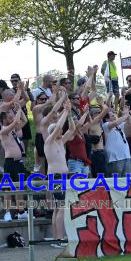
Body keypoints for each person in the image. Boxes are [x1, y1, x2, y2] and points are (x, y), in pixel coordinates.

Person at [44, 97, 77, 248]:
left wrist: (69, 114)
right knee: (61, 207)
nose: (60, 131)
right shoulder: (49, 142)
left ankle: (56, 237)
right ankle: (59, 238)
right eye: (57, 130)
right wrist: (65, 110)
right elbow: (57, 127)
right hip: (56, 177)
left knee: (58, 207)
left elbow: (72, 129)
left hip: (62, 177)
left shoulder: (60, 142)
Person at [0, 103, 29, 221]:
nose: (11, 118)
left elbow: (25, 121)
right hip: (10, 162)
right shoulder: (4, 130)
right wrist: (16, 114)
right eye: (9, 117)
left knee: (19, 187)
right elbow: (15, 122)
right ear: (4, 119)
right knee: (8, 188)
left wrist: (20, 109)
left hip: (18, 162)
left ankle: (21, 211)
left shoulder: (12, 130)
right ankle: (7, 213)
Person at [67, 92, 91, 176]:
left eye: (79, 98)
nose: (78, 100)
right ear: (70, 100)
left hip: (83, 162)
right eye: (76, 98)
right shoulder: (69, 112)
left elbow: (89, 123)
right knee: (76, 188)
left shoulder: (77, 111)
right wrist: (85, 113)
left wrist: (86, 113)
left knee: (86, 188)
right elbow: (78, 124)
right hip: (75, 162)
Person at [103, 106, 131, 177]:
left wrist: (128, 116)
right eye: (112, 116)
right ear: (107, 119)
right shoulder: (105, 125)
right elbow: (115, 123)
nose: (114, 117)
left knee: (126, 181)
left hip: (126, 156)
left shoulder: (119, 126)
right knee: (115, 182)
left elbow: (130, 125)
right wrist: (126, 115)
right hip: (114, 158)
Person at [87, 102, 110, 177]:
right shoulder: (94, 121)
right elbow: (106, 109)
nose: (101, 114)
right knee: (102, 177)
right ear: (94, 114)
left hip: (98, 153)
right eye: (99, 113)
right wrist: (101, 102)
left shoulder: (97, 123)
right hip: (98, 153)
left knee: (100, 176)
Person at [10, 74, 32, 150]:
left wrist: (24, 89)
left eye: (16, 80)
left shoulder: (22, 89)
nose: (14, 82)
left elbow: (29, 99)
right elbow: (14, 103)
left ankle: (24, 155)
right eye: (12, 81)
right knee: (17, 140)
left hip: (24, 116)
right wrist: (21, 89)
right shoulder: (10, 91)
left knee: (26, 138)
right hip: (15, 118)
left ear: (19, 81)